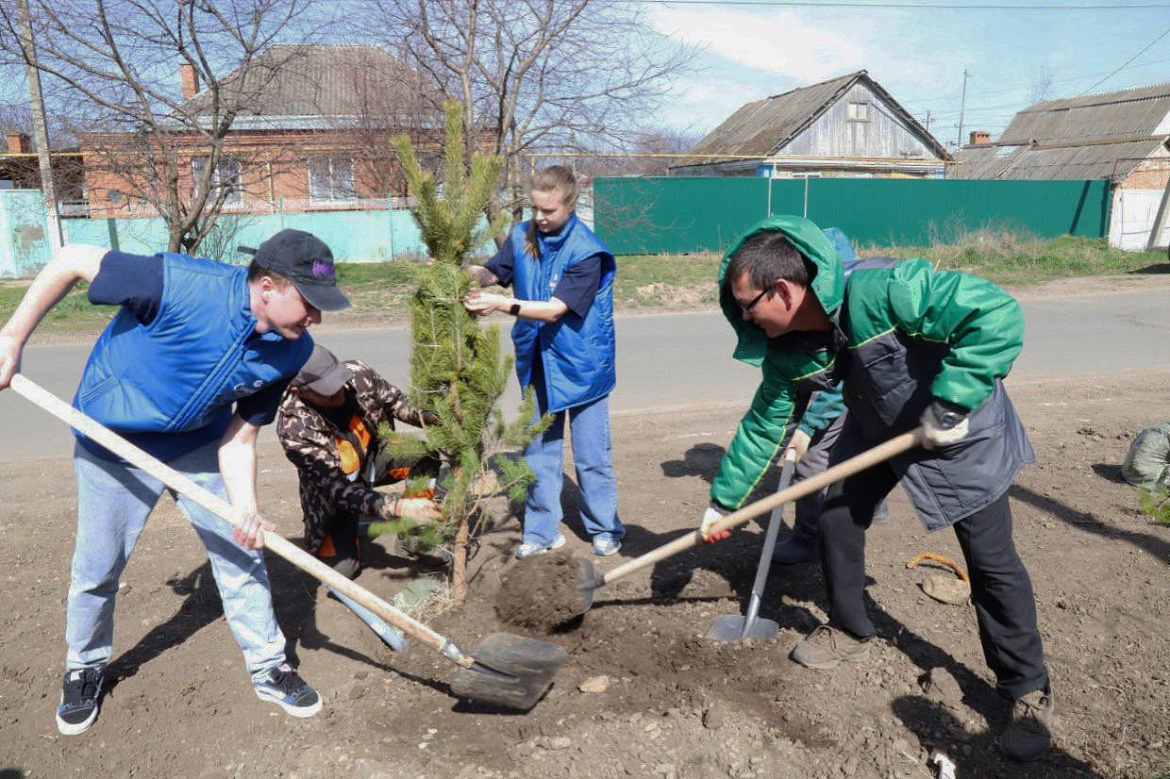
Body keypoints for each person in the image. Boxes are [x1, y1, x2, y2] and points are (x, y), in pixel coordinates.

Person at [698, 215, 1053, 762]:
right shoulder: (793, 343)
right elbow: (765, 421)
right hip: (881, 427)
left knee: (990, 560)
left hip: (961, 432)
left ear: (785, 291)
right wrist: (722, 503)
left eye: (748, 306)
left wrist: (953, 399)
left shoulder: (886, 290)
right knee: (837, 511)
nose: (743, 318)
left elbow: (996, 312)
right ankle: (850, 627)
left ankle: (1027, 690)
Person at [0, 228, 348, 735]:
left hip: (198, 445)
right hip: (111, 442)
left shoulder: (292, 351)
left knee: (241, 553)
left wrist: (245, 510)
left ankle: (269, 664)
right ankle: (84, 665)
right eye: (309, 303)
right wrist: (11, 338)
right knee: (97, 567)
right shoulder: (177, 284)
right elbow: (72, 259)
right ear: (268, 286)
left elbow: (240, 440)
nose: (315, 317)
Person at [463, 165, 624, 559]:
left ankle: (605, 528)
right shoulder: (521, 235)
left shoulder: (587, 251)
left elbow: (555, 310)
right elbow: (494, 272)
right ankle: (540, 532)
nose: (539, 217)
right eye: (535, 208)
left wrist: (502, 305)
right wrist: (459, 272)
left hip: (582, 365)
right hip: (537, 361)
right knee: (538, 452)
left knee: (591, 456)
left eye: (548, 211)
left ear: (570, 205)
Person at [276, 345, 442, 580]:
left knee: (425, 456)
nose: (339, 392)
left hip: (373, 460)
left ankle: (413, 536)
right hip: (336, 497)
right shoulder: (295, 427)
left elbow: (398, 403)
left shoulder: (358, 375)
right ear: (301, 392)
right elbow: (337, 489)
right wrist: (397, 507)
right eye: (327, 391)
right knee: (342, 574)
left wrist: (437, 417)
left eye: (337, 381)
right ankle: (350, 528)